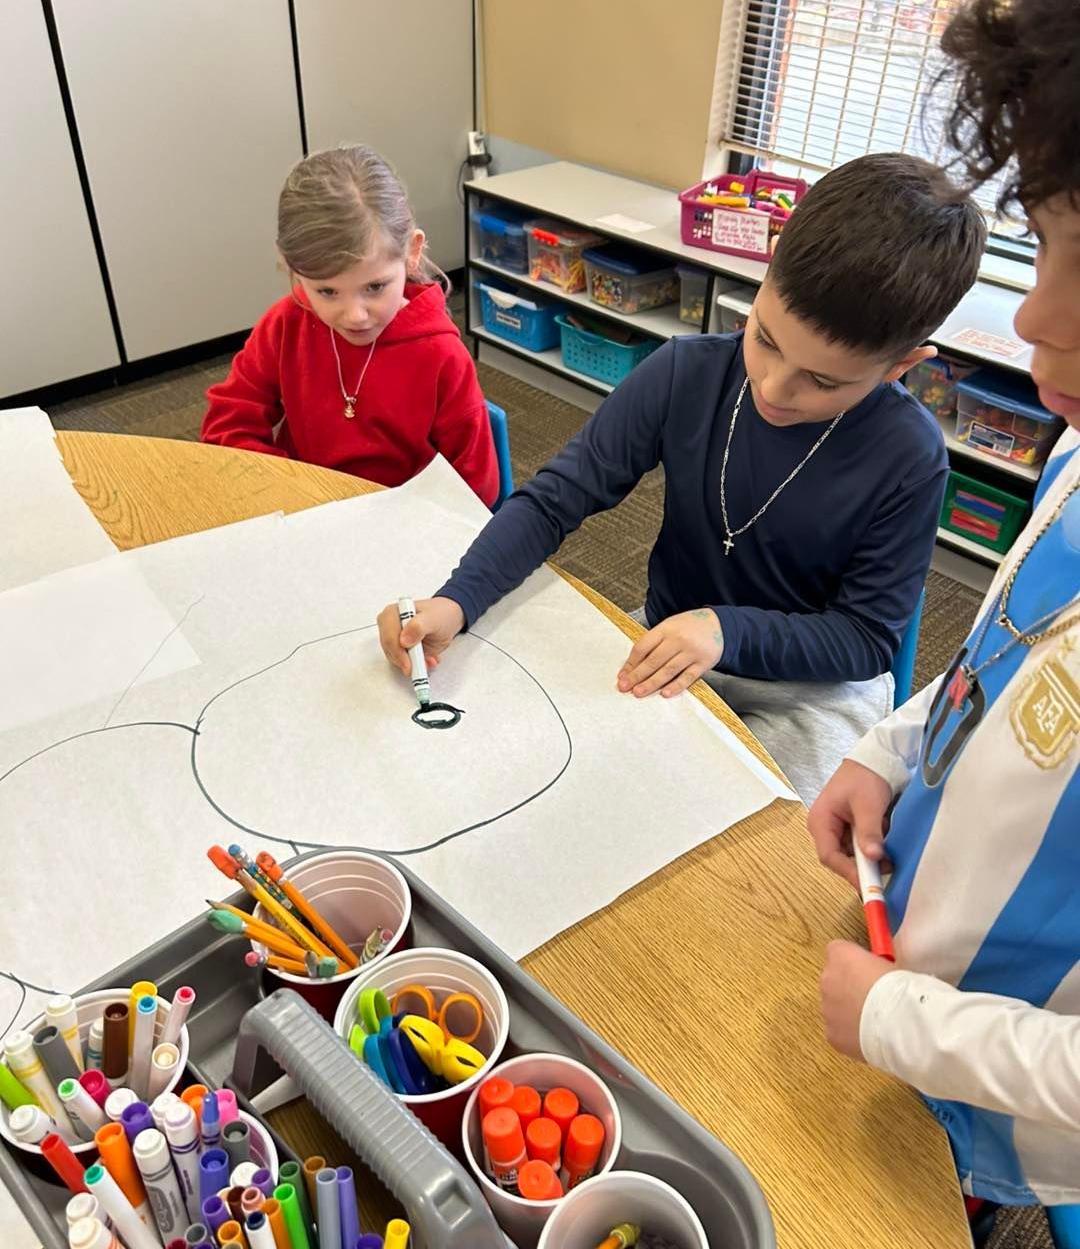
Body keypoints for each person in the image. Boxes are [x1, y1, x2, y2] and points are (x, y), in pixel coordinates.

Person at [377, 153, 985, 802]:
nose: (774, 387)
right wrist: (458, 600)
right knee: (571, 786)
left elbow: (864, 639)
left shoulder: (909, 456)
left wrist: (725, 630)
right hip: (669, 640)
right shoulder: (685, 372)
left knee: (762, 845)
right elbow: (556, 500)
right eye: (766, 339)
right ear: (765, 272)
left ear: (901, 368)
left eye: (824, 380)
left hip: (811, 689)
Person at [809, 0, 1080, 1205]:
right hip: (901, 974)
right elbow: (1008, 659)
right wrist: (899, 747)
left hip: (1000, 1107)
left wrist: (909, 1026)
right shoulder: (1077, 449)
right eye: (1049, 243)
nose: (1034, 323)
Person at [202, 145, 498, 506]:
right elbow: (228, 424)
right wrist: (293, 491)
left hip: (404, 523)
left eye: (375, 287)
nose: (355, 315)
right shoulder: (286, 324)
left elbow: (476, 488)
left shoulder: (440, 354)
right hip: (303, 508)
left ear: (412, 252)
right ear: (295, 272)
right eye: (326, 291)